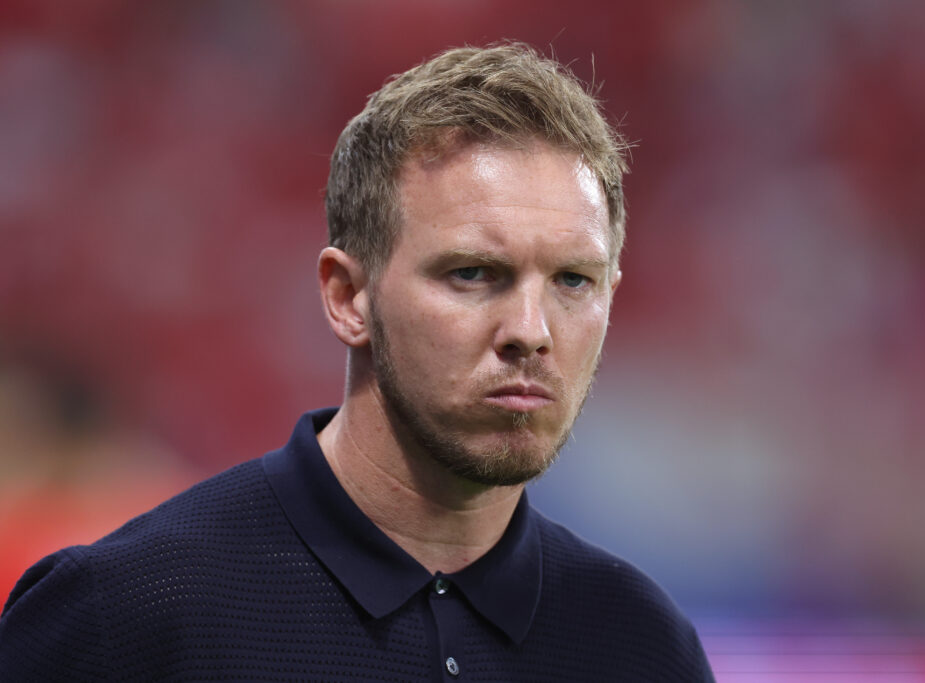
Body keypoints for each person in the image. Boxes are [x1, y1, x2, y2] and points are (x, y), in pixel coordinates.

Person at [0, 43, 715, 681]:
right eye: (473, 272)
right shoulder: (127, 613)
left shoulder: (644, 648)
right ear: (348, 297)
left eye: (572, 281)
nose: (530, 331)